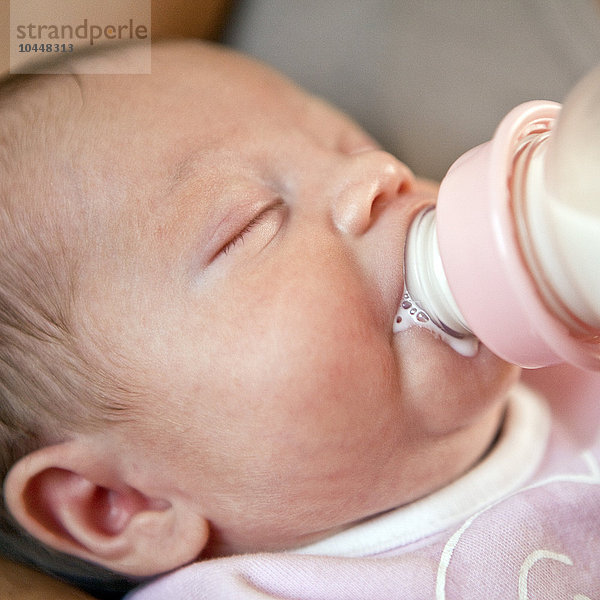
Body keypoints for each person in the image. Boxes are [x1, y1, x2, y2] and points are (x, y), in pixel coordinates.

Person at [0, 41, 598, 600]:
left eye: (351, 143)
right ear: (120, 502)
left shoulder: (573, 358)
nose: (380, 173)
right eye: (252, 222)